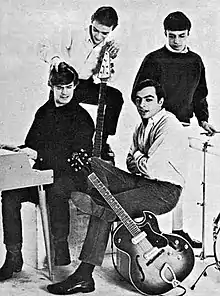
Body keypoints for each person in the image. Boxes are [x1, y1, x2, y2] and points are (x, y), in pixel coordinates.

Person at [47, 78, 189, 295]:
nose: (143, 105)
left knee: (110, 208)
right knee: (95, 163)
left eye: (149, 100)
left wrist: (140, 158)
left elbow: (149, 167)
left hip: (164, 191)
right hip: (143, 182)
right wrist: (141, 160)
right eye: (139, 100)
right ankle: (96, 197)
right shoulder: (142, 126)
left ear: (161, 101)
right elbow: (132, 164)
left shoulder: (169, 126)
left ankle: (84, 276)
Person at [0, 62, 95, 281]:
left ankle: (59, 248)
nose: (64, 92)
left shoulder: (82, 117)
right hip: (43, 175)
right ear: (50, 85)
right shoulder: (43, 112)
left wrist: (39, 154)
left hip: (71, 177)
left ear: (75, 87)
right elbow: (31, 143)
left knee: (58, 189)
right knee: (10, 194)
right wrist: (23, 151)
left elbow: (77, 157)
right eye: (60, 87)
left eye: (69, 87)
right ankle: (13, 256)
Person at [132, 11, 217, 248]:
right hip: (159, 126)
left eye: (181, 36)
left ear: (189, 34)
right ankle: (147, 228)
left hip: (184, 127)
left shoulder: (196, 61)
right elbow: (137, 94)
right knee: (151, 175)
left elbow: (200, 94)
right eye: (172, 36)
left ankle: (178, 231)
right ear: (165, 34)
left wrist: (203, 119)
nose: (176, 40)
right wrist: (154, 118)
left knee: (180, 180)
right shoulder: (153, 60)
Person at [40, 6, 124, 163]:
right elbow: (43, 46)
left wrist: (111, 59)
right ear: (91, 21)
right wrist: (55, 59)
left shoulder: (109, 46)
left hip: (85, 85)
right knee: (57, 123)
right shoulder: (73, 33)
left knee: (115, 98)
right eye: (95, 30)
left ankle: (101, 142)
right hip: (66, 84)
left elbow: (107, 77)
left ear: (112, 30)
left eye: (104, 33)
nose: (98, 36)